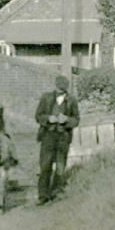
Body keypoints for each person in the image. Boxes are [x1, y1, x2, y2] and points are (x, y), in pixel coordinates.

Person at [35, 75, 80, 205]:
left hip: (63, 137)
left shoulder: (72, 101)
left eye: (63, 89)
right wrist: (49, 118)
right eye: (59, 88)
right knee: (45, 166)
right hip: (48, 136)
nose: (60, 91)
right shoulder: (46, 98)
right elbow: (38, 116)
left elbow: (76, 120)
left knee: (60, 166)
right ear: (55, 86)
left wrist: (67, 120)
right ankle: (43, 195)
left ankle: (56, 193)